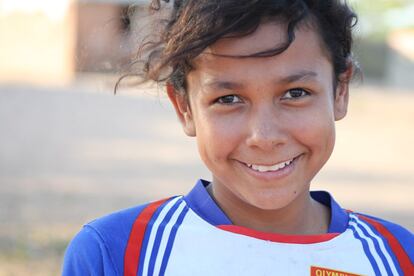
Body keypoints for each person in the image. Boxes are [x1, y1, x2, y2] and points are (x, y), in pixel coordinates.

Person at [62, 0, 414, 275]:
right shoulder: (118, 254)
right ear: (184, 108)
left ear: (340, 91)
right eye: (228, 99)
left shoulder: (396, 257)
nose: (264, 136)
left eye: (295, 93)